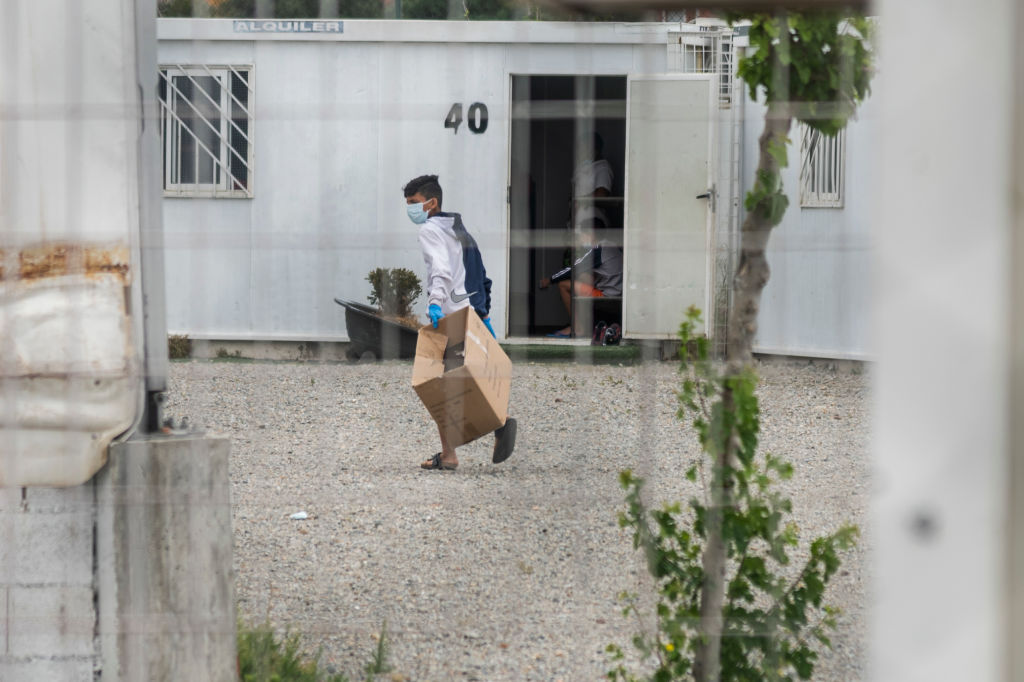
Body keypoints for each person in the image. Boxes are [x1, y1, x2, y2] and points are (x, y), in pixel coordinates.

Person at [403, 174, 517, 470]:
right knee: (460, 381)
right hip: (471, 315)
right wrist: (485, 314)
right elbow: (480, 272)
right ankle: (496, 426)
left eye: (414, 203)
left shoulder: (430, 230)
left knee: (439, 387)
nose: (411, 210)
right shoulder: (458, 228)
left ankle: (468, 443)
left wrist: (434, 305)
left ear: (432, 202)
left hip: (452, 317)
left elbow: (439, 271)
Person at [539, 221, 623, 339]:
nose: (581, 239)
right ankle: (582, 325)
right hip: (616, 291)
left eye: (582, 235)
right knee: (583, 277)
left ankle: (577, 328)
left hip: (608, 296)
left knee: (563, 284)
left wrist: (549, 280)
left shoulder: (600, 249)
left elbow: (574, 268)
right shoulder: (610, 246)